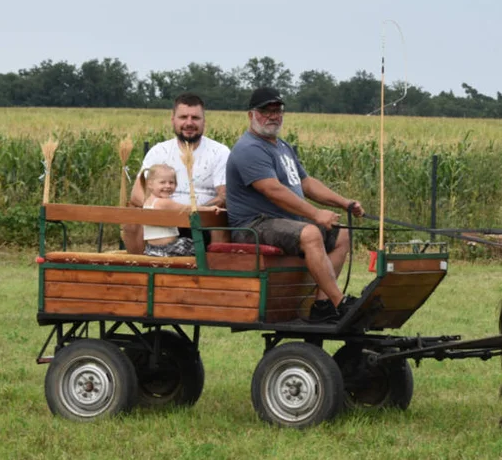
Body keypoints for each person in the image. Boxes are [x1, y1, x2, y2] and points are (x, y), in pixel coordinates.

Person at [226, 87, 365, 322]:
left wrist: (345, 203)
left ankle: (322, 305)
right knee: (310, 234)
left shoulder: (282, 146)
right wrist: (315, 213)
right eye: (265, 111)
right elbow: (273, 190)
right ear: (251, 115)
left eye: (277, 110)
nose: (272, 116)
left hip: (283, 222)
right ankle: (340, 302)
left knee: (341, 235)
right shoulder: (249, 149)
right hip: (253, 226)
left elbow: (305, 183)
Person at [123, 92, 230, 253]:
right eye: (183, 117)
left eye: (195, 118)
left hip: (201, 221)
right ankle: (139, 268)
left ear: (203, 121)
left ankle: (213, 273)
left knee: (220, 219)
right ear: (173, 119)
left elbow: (224, 196)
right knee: (131, 217)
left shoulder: (219, 152)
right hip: (161, 218)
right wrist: (161, 208)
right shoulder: (159, 151)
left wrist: (192, 212)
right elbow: (137, 194)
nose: (189, 123)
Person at [139, 164, 196, 257]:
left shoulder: (148, 202)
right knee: (196, 245)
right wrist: (209, 208)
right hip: (168, 250)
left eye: (171, 182)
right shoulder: (163, 203)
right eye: (162, 182)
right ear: (150, 184)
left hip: (151, 249)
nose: (168, 186)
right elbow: (189, 208)